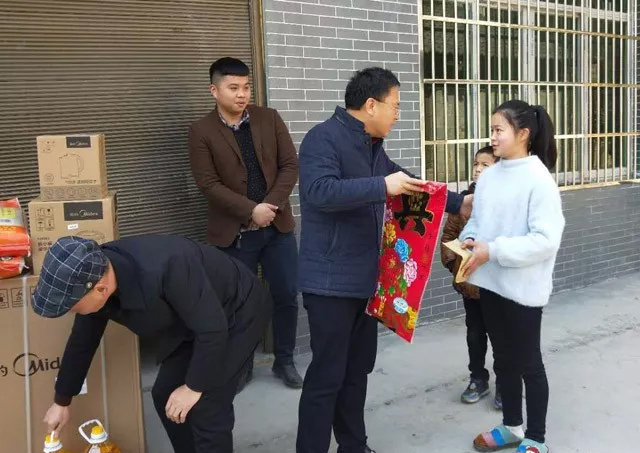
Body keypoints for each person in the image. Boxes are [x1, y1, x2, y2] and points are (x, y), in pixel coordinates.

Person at [296, 67, 474, 453]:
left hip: (365, 280)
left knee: (356, 372)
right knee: (327, 377)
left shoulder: (372, 147)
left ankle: (354, 446)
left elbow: (408, 184)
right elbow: (319, 191)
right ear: (371, 104)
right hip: (329, 283)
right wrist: (381, 186)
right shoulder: (322, 138)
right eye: (395, 106)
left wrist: (459, 202)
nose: (398, 115)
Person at [32, 235, 272, 453]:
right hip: (192, 321)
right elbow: (82, 341)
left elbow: (212, 329)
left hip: (237, 312)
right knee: (165, 395)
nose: (71, 312)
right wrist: (61, 401)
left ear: (100, 289)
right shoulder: (96, 275)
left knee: (206, 404)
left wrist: (193, 387)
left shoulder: (169, 266)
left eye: (72, 307)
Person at [188, 57, 302, 389]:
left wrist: (269, 206)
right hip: (235, 235)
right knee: (240, 303)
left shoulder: (269, 118)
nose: (242, 94)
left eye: (246, 87)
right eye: (233, 88)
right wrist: (251, 210)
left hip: (277, 229)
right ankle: (242, 364)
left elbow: (290, 166)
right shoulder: (201, 131)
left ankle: (285, 361)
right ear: (214, 90)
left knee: (286, 295)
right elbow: (208, 184)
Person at [459, 100, 565, 453]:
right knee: (503, 359)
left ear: (523, 134)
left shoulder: (539, 180)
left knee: (528, 363)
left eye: (498, 130)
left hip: (522, 288)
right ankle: (511, 426)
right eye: (491, 130)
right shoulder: (490, 176)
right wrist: (469, 239)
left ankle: (536, 438)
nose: (492, 137)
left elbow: (545, 240)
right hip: (491, 282)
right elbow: (478, 220)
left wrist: (494, 250)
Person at [440, 146, 501, 408]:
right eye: (476, 164)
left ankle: (506, 384)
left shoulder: (508, 202)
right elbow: (448, 236)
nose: (478, 169)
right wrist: (455, 263)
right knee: (475, 334)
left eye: (485, 165)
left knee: (501, 337)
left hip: (499, 286)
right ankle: (478, 379)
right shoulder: (464, 202)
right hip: (471, 284)